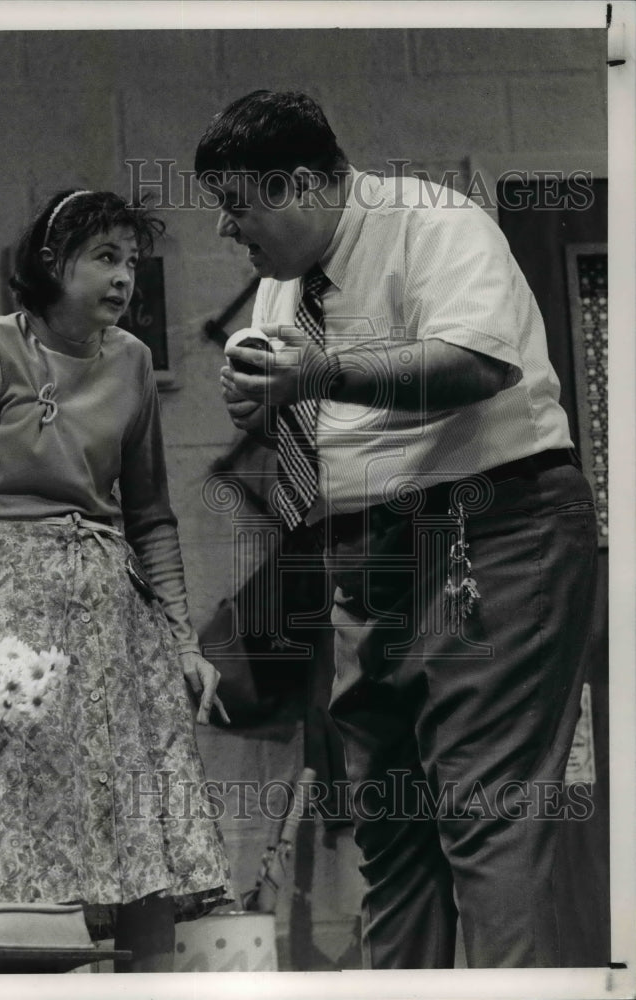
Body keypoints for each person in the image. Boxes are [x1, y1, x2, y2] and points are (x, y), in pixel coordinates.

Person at [195, 91, 599, 968]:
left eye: (238, 205)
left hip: (492, 528)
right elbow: (322, 416)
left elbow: (479, 362)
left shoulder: (432, 221)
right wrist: (262, 402)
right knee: (390, 822)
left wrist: (320, 373)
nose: (229, 228)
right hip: (366, 549)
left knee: (483, 811)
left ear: (299, 182)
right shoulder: (279, 286)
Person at [0, 189, 232, 972]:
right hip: (9, 612)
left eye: (131, 261)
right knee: (24, 816)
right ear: (53, 264)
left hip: (109, 615)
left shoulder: (131, 362)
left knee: (141, 818)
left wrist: (182, 640)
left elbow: (151, 515)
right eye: (105, 257)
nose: (124, 277)